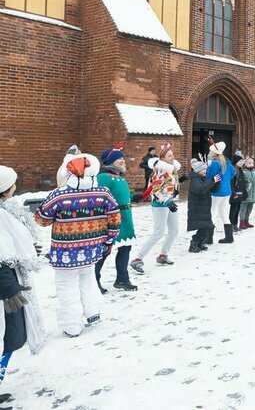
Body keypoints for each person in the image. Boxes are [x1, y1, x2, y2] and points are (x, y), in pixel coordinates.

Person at [36, 153, 120, 337]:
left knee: (67, 287)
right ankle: (93, 313)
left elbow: (42, 219)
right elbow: (114, 217)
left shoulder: (59, 194)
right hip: (93, 248)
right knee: (88, 280)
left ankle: (71, 325)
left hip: (65, 252)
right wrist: (109, 241)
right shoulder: (103, 192)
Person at [0, 165, 46, 395]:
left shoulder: (6, 210)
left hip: (10, 284)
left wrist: (28, 250)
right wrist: (9, 288)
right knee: (4, 339)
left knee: (9, 339)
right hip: (7, 291)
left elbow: (12, 244)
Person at [130, 143, 182, 273]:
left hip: (170, 203)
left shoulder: (171, 170)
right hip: (160, 205)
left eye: (173, 155)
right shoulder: (159, 171)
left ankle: (163, 255)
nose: (172, 157)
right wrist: (166, 202)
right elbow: (156, 190)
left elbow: (169, 185)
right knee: (158, 232)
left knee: (174, 231)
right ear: (163, 158)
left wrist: (180, 182)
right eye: (169, 155)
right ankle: (137, 259)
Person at [95, 144, 138, 293]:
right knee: (105, 250)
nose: (122, 161)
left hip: (126, 218)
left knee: (126, 247)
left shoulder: (120, 177)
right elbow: (99, 198)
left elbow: (124, 195)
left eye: (122, 158)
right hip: (112, 218)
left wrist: (136, 197)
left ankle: (122, 279)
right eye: (118, 159)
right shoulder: (103, 177)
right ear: (109, 162)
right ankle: (94, 280)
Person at [206, 140, 236, 244]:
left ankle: (208, 238)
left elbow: (209, 177)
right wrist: (226, 180)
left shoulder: (215, 163)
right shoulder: (226, 161)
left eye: (210, 151)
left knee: (212, 213)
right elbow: (233, 172)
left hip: (217, 192)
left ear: (214, 153)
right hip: (226, 191)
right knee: (223, 213)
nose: (209, 153)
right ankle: (229, 237)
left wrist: (208, 168)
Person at [187, 159, 220, 253]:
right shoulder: (194, 180)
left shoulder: (203, 179)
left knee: (207, 227)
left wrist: (217, 182)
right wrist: (211, 181)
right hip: (197, 208)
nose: (205, 171)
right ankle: (194, 244)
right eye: (203, 169)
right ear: (197, 171)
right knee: (205, 227)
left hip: (204, 207)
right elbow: (200, 190)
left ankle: (199, 243)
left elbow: (213, 190)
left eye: (205, 169)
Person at [240, 157, 255, 229]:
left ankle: (246, 220)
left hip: (253, 193)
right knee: (243, 208)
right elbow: (241, 181)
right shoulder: (243, 172)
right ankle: (242, 222)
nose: (251, 164)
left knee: (249, 208)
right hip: (246, 193)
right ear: (245, 164)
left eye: (252, 163)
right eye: (249, 163)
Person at [229, 153, 248, 232]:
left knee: (237, 209)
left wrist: (244, 193)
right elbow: (231, 184)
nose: (241, 162)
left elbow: (242, 183)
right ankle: (230, 225)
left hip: (240, 193)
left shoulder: (240, 170)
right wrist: (233, 193)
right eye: (239, 161)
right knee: (233, 209)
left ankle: (235, 224)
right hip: (235, 194)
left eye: (242, 161)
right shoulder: (233, 170)